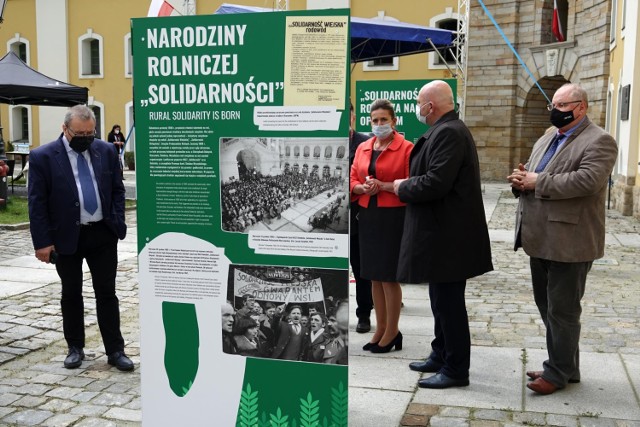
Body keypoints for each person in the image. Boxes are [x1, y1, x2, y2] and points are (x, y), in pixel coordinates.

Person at [507, 83, 617, 395]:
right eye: (552, 105)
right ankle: (566, 365)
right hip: (538, 236)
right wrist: (521, 180)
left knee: (563, 310)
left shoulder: (600, 141)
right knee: (547, 306)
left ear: (581, 107)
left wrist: (537, 181)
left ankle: (556, 374)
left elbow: (587, 181)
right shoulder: (547, 137)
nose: (554, 111)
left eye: (562, 105)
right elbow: (532, 172)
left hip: (570, 240)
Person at [393, 80, 493, 389]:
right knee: (440, 302)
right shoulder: (445, 130)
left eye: (419, 102)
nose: (417, 108)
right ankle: (440, 353)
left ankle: (455, 369)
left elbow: (436, 182)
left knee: (450, 306)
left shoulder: (449, 132)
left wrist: (401, 186)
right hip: (442, 235)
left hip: (449, 238)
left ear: (430, 107)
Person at [28, 105, 133, 371]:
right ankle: (75, 347)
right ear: (65, 129)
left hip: (102, 233)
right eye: (79, 133)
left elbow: (118, 190)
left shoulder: (106, 151)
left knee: (107, 293)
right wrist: (42, 242)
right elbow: (36, 203)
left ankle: (115, 350)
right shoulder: (43, 157)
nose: (86, 137)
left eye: (90, 132)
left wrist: (116, 219)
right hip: (66, 236)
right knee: (71, 293)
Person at [350, 99, 413, 354]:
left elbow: (411, 182)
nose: (378, 124)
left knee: (388, 277)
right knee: (373, 275)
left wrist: (384, 186)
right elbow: (353, 176)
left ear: (393, 121)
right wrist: (360, 188)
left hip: (393, 215)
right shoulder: (364, 147)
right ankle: (380, 328)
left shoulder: (406, 148)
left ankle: (393, 331)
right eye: (374, 120)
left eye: (383, 120)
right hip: (367, 214)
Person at [348, 102, 374, 334]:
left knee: (361, 269)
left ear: (352, 117)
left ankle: (364, 313)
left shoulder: (365, 144)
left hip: (357, 217)